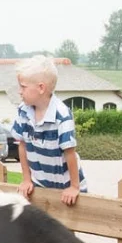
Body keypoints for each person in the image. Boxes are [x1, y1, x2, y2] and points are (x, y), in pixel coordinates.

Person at [10, 55, 86, 206]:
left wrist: (74, 187)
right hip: (40, 186)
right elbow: (23, 145)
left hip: (65, 188)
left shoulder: (61, 115)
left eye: (23, 87)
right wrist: (26, 179)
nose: (19, 91)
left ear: (41, 88)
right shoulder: (23, 111)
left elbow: (69, 153)